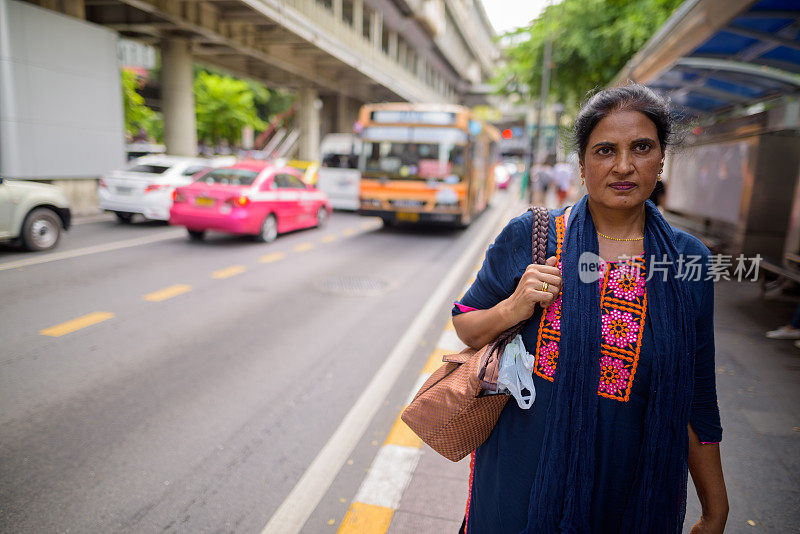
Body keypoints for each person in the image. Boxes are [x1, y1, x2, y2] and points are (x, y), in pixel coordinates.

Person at [452, 84, 728, 534]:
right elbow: (466, 323)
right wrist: (514, 308)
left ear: (661, 159)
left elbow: (697, 395)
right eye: (605, 151)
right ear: (582, 166)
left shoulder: (687, 259)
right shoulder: (536, 236)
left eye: (641, 147)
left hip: (629, 488)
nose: (623, 165)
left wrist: (716, 510)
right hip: (520, 483)